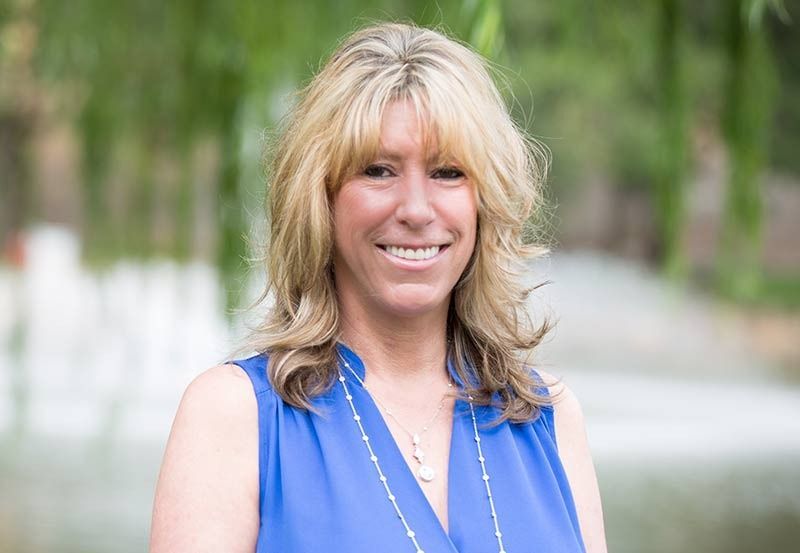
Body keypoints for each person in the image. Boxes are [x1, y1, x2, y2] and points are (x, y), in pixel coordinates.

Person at [150, 22, 607, 553]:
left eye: (448, 173)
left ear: (485, 202)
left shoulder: (548, 417)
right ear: (321, 198)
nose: (416, 209)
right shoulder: (236, 416)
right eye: (378, 170)